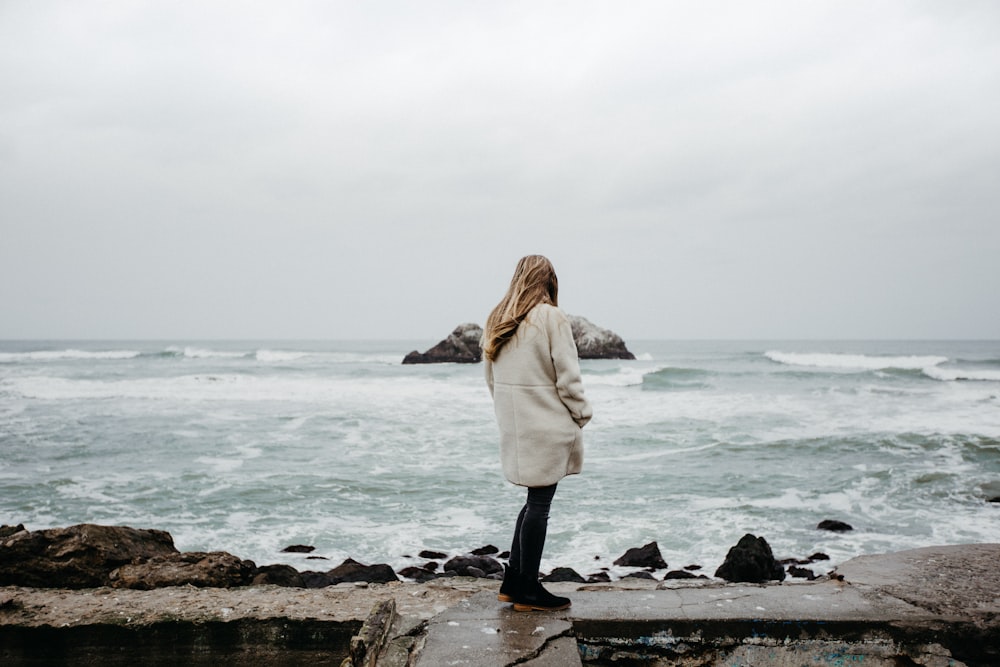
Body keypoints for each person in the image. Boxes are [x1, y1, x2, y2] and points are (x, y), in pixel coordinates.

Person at [482, 255, 593, 612]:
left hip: (517, 426)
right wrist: (581, 414)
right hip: (547, 425)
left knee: (533, 500)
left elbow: (491, 380)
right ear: (549, 281)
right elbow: (568, 375)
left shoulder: (498, 319)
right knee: (540, 505)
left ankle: (512, 582)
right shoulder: (550, 316)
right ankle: (528, 589)